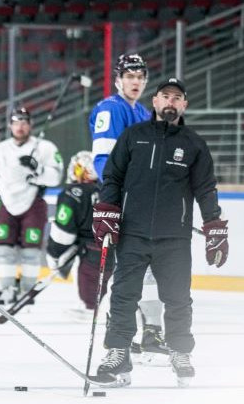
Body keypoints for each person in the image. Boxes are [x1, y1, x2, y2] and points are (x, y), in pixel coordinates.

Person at [92, 78, 227, 388]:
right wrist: (107, 209)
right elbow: (112, 176)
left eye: (176, 98)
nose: (170, 102)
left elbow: (206, 189)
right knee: (124, 297)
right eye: (165, 96)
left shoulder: (194, 144)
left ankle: (180, 353)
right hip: (133, 233)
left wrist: (214, 226)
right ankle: (118, 355)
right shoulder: (132, 136)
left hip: (174, 238)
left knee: (178, 299)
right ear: (154, 102)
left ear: (184, 105)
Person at [89, 53, 168, 363]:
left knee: (150, 268)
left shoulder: (144, 113)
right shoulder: (111, 109)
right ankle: (119, 340)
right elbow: (102, 161)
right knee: (130, 271)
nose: (136, 81)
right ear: (118, 79)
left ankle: (149, 333)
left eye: (140, 76)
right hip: (123, 204)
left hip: (145, 205)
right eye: (130, 76)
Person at [0, 107, 63, 305]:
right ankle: (7, 289)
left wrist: (38, 168)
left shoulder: (45, 148)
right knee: (2, 248)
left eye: (24, 122)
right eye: (16, 122)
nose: (20, 126)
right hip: (6, 203)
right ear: (10, 125)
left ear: (30, 125)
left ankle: (27, 291)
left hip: (33, 202)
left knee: (31, 250)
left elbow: (56, 177)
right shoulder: (1, 149)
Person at [45, 151, 110, 320]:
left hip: (89, 249)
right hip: (116, 247)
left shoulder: (73, 192)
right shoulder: (111, 190)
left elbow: (63, 231)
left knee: (89, 276)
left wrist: (54, 253)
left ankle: (89, 307)